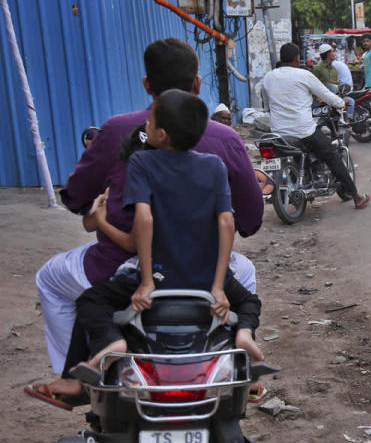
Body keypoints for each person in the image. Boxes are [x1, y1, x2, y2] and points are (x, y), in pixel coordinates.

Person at [27, 38, 263, 407]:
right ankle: (237, 365)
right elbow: (240, 222)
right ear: (197, 86)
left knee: (55, 282)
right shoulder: (220, 151)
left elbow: (115, 216)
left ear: (147, 88)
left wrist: (104, 224)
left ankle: (77, 375)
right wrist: (219, 285)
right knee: (245, 282)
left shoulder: (134, 149)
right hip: (204, 268)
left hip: (137, 266)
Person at [69, 90, 271, 383]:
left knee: (90, 300)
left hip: (160, 277)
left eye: (149, 123)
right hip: (206, 279)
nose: (145, 127)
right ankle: (244, 334)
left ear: (162, 135)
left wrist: (147, 282)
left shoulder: (142, 163)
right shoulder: (214, 165)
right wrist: (218, 286)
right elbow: (227, 222)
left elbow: (144, 220)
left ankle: (112, 342)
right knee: (249, 302)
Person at [260, 42, 370, 209]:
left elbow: (266, 106)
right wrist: (341, 103)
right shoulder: (304, 75)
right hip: (303, 131)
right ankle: (356, 197)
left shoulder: (268, 77)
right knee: (332, 155)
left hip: (278, 134)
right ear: (297, 58)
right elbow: (326, 94)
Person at [313, 44, 355, 119]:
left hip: (335, 97)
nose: (334, 54)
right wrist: (329, 83)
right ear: (328, 54)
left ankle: (348, 123)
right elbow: (315, 85)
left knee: (351, 101)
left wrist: (341, 90)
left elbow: (337, 84)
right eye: (332, 52)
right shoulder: (317, 68)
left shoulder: (334, 69)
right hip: (323, 99)